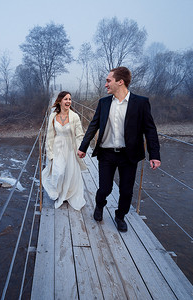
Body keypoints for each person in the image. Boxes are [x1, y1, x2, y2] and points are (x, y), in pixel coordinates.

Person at [77, 66, 161, 232]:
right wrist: (83, 147)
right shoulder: (104, 102)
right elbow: (93, 126)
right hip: (106, 153)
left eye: (109, 81)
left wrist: (155, 155)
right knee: (105, 188)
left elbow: (150, 130)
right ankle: (99, 205)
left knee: (126, 190)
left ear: (120, 82)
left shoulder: (141, 103)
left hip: (129, 155)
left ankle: (120, 216)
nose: (106, 84)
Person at [42, 91, 87, 211]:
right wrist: (50, 153)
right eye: (66, 99)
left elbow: (79, 135)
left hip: (70, 147)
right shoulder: (53, 116)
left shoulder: (75, 116)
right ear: (60, 101)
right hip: (57, 147)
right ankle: (58, 192)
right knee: (59, 172)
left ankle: (67, 194)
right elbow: (50, 136)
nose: (68, 102)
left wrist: (80, 148)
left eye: (70, 99)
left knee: (70, 172)